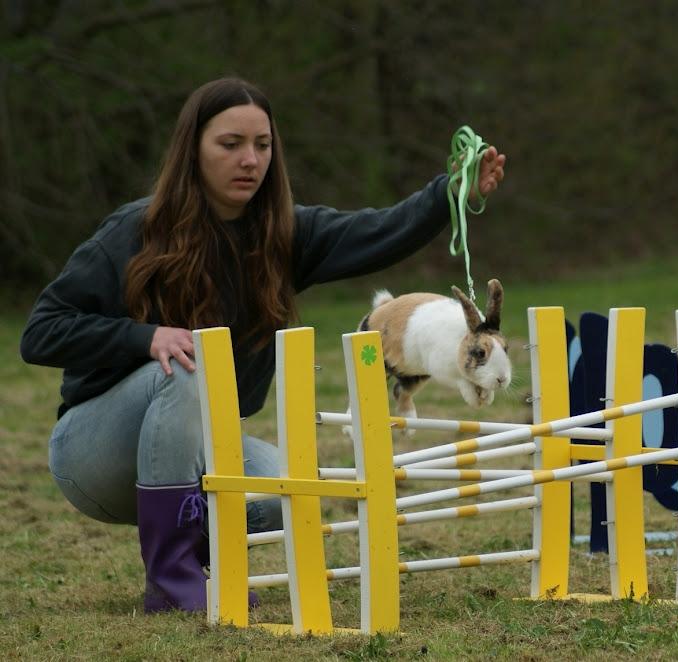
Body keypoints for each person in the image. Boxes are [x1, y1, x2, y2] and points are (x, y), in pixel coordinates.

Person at [19, 77, 506, 614]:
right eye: (230, 144)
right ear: (193, 150)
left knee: (291, 492)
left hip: (203, 449)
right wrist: (146, 338)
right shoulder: (135, 230)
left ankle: (206, 555)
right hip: (94, 456)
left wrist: (450, 192)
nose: (249, 160)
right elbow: (42, 330)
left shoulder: (282, 235)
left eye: (263, 145)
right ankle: (171, 576)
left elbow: (379, 231)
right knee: (189, 364)